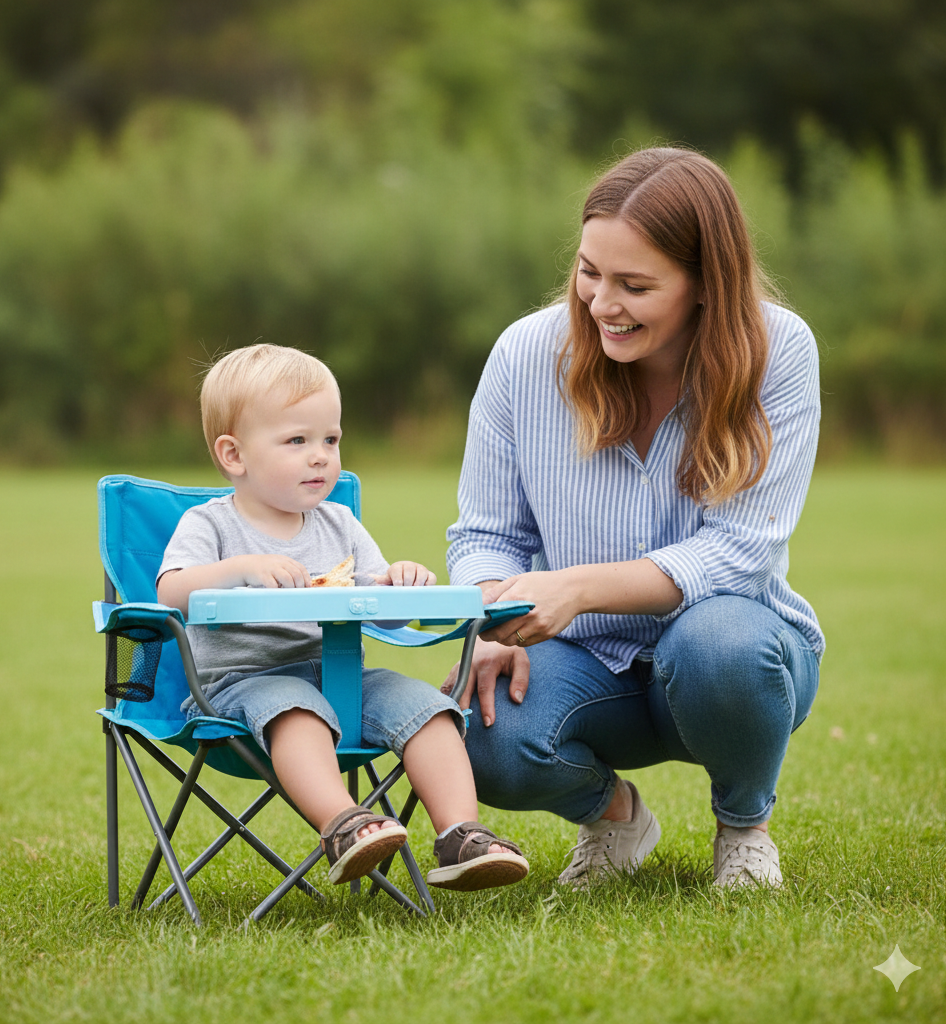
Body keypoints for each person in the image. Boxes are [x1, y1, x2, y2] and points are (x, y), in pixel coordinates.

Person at [444, 148, 823, 889]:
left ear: (705, 284)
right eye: (590, 272)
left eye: (635, 285)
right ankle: (614, 818)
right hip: (582, 659)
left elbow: (739, 552)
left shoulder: (779, 350)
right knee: (478, 728)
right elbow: (488, 534)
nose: (600, 304)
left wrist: (578, 587)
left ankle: (744, 829)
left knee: (718, 644)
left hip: (734, 655)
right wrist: (488, 621)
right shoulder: (525, 355)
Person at [158, 343, 528, 892]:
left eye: (330, 439)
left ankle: (459, 835)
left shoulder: (340, 524)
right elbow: (170, 591)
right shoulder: (210, 525)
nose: (321, 457)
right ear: (234, 455)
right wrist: (239, 569)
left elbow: (380, 609)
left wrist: (398, 581)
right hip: (241, 687)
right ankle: (344, 826)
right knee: (296, 710)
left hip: (345, 680)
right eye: (297, 441)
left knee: (429, 709)